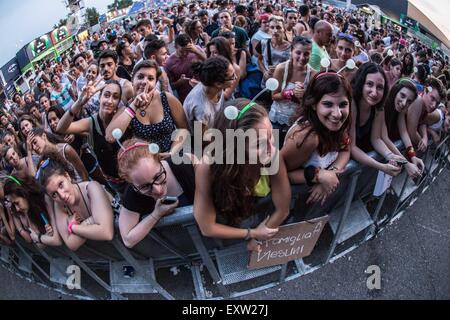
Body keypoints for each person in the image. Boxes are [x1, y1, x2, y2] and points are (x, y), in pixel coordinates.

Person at [193, 98, 291, 251]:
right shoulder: (207, 168)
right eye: (259, 144)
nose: (272, 149)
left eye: (271, 135)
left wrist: (258, 238)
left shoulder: (272, 157)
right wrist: (251, 233)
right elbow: (207, 227)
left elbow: (283, 209)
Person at [281, 72, 351, 206]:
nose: (337, 114)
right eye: (328, 104)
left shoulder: (338, 125)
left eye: (343, 104)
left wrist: (331, 173)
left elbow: (345, 150)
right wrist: (317, 176)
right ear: (314, 104)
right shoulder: (308, 138)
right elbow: (279, 172)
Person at [116, 138, 196, 248]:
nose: (158, 190)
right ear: (132, 184)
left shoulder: (185, 163)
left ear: (160, 160)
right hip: (179, 247)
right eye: (145, 186)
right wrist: (156, 214)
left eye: (158, 176)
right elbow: (128, 240)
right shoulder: (133, 194)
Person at [106, 60, 188, 156]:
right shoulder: (127, 109)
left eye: (150, 78)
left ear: (155, 82)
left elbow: (184, 129)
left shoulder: (166, 99)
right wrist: (134, 106)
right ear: (132, 80)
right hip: (148, 164)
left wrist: (171, 152)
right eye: (140, 77)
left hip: (174, 156)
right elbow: (110, 137)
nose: (145, 82)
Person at [56, 80, 125, 193]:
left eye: (115, 97)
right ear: (99, 98)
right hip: (116, 183)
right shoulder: (91, 123)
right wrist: (79, 102)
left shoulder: (122, 115)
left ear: (118, 102)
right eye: (106, 95)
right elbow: (61, 128)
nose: (110, 101)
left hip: (133, 175)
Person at [35, 154, 114, 251]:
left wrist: (73, 227)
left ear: (67, 176)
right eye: (54, 194)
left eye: (61, 185)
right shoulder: (58, 205)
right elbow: (71, 244)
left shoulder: (91, 188)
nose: (62, 196)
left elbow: (106, 232)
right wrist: (94, 221)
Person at [350, 63, 403, 176]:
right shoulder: (352, 103)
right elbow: (352, 147)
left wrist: (390, 155)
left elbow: (376, 139)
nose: (374, 93)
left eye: (380, 87)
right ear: (361, 83)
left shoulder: (379, 108)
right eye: (369, 84)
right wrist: (382, 166)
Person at [270, 36, 315, 142]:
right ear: (291, 51)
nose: (302, 57)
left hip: (299, 123)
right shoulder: (281, 69)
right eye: (298, 52)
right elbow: (274, 96)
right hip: (278, 120)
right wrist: (291, 93)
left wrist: (304, 95)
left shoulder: (313, 74)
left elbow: (313, 101)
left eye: (306, 54)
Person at [3, 177, 61, 247]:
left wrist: (39, 238)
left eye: (17, 203)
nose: (17, 209)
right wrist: (45, 237)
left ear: (23, 193)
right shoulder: (29, 209)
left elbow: (57, 240)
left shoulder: (45, 198)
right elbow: (38, 245)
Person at [384, 79, 424, 178]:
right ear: (395, 91)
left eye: (409, 101)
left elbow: (404, 132)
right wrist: (406, 163)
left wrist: (413, 156)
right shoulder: (382, 105)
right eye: (402, 95)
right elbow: (384, 138)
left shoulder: (401, 110)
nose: (404, 103)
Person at [183, 56, 236, 133]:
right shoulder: (202, 109)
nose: (236, 77)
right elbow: (202, 139)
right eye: (232, 77)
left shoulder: (212, 85)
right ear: (218, 84)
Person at [407, 77, 446, 152]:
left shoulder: (425, 106)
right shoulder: (418, 101)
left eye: (437, 103)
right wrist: (425, 145)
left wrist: (425, 137)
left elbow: (422, 122)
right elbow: (412, 134)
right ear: (425, 90)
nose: (434, 105)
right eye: (432, 98)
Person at [165, 34, 206, 103]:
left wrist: (196, 51)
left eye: (188, 51)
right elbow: (170, 86)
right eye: (182, 51)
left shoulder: (196, 50)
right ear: (175, 47)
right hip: (186, 99)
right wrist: (179, 82)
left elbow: (209, 62)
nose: (185, 54)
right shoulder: (169, 63)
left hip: (203, 92)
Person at [255, 16, 291, 85]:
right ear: (269, 29)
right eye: (272, 27)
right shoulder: (263, 43)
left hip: (283, 83)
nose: (275, 31)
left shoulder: (291, 47)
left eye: (278, 27)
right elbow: (259, 60)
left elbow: (294, 67)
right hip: (268, 82)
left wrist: (280, 69)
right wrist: (264, 71)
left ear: (283, 29)